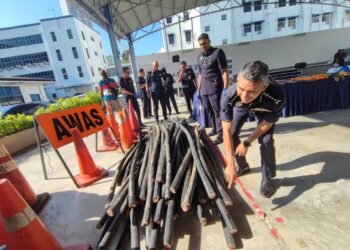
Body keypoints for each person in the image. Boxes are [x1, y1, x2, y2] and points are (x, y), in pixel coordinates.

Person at [220, 61, 286, 198]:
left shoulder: (277, 97)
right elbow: (226, 129)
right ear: (237, 80)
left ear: (264, 87)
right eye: (241, 88)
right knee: (232, 134)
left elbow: (267, 122)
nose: (244, 96)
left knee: (266, 140)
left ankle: (267, 178)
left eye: (251, 91)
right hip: (241, 108)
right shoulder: (229, 95)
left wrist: (247, 142)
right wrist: (230, 162)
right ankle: (242, 166)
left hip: (264, 108)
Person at [197, 33, 229, 145]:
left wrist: (226, 88)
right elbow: (200, 74)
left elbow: (224, 70)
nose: (203, 46)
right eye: (200, 44)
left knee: (217, 112)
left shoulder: (218, 52)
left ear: (209, 41)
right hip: (204, 89)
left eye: (204, 43)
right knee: (209, 111)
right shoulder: (200, 56)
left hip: (215, 87)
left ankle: (221, 135)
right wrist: (198, 89)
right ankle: (214, 128)